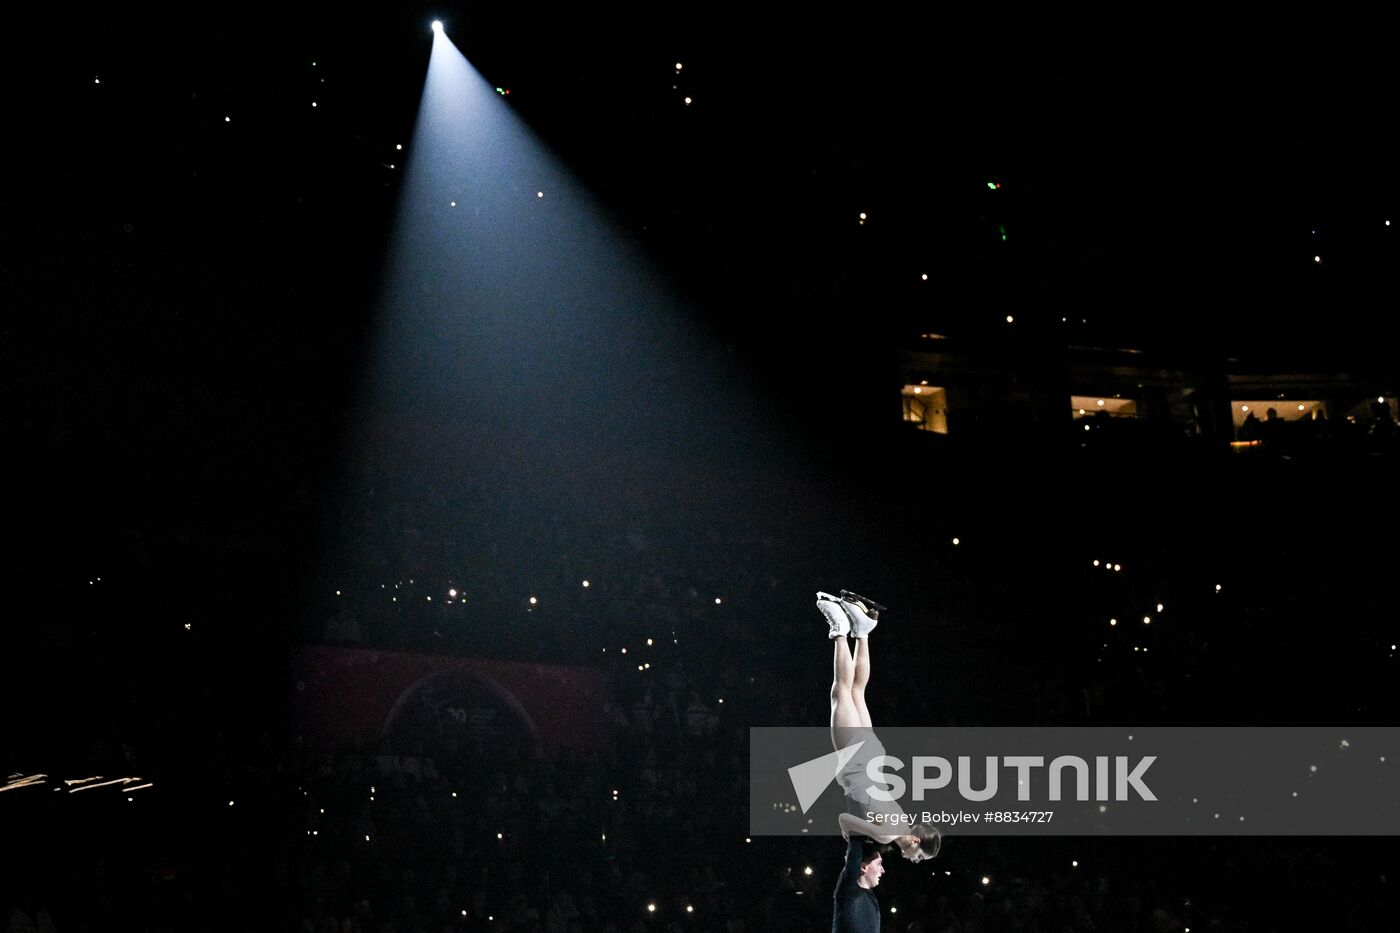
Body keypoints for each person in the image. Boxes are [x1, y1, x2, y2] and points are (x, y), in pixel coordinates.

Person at [817, 592, 940, 864]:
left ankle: (863, 631)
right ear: (916, 841)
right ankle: (840, 629)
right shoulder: (888, 835)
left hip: (872, 757)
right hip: (857, 760)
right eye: (919, 856)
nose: (914, 860)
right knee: (842, 693)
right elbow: (844, 819)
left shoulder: (903, 822)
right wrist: (851, 835)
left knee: (858, 692)